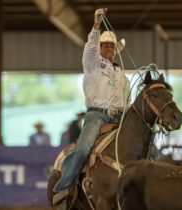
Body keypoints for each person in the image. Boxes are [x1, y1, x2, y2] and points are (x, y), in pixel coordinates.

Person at [53, 8, 130, 192]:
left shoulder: (121, 73)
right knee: (83, 150)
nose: (109, 48)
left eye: (111, 46)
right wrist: (96, 26)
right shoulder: (92, 64)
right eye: (105, 45)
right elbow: (90, 47)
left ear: (115, 50)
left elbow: (126, 97)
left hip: (119, 117)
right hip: (97, 116)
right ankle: (62, 188)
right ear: (100, 48)